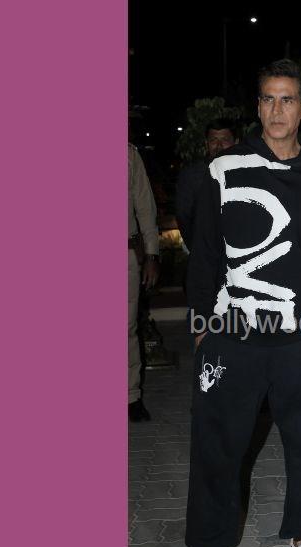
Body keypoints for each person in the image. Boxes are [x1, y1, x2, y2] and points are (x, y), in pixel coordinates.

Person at [184, 59, 301, 547]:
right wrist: (202, 322)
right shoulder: (224, 167)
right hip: (232, 335)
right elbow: (204, 251)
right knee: (218, 446)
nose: (277, 110)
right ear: (258, 106)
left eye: (287, 99)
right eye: (268, 99)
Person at [128, 143, 160, 422]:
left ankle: (130, 396)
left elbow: (145, 206)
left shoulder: (127, 154)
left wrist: (151, 254)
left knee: (126, 328)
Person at [175, 119, 239, 251]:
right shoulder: (193, 176)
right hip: (204, 251)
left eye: (225, 140)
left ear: (236, 142)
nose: (219, 145)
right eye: (213, 140)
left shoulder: (247, 174)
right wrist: (196, 249)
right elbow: (183, 216)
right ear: (206, 143)